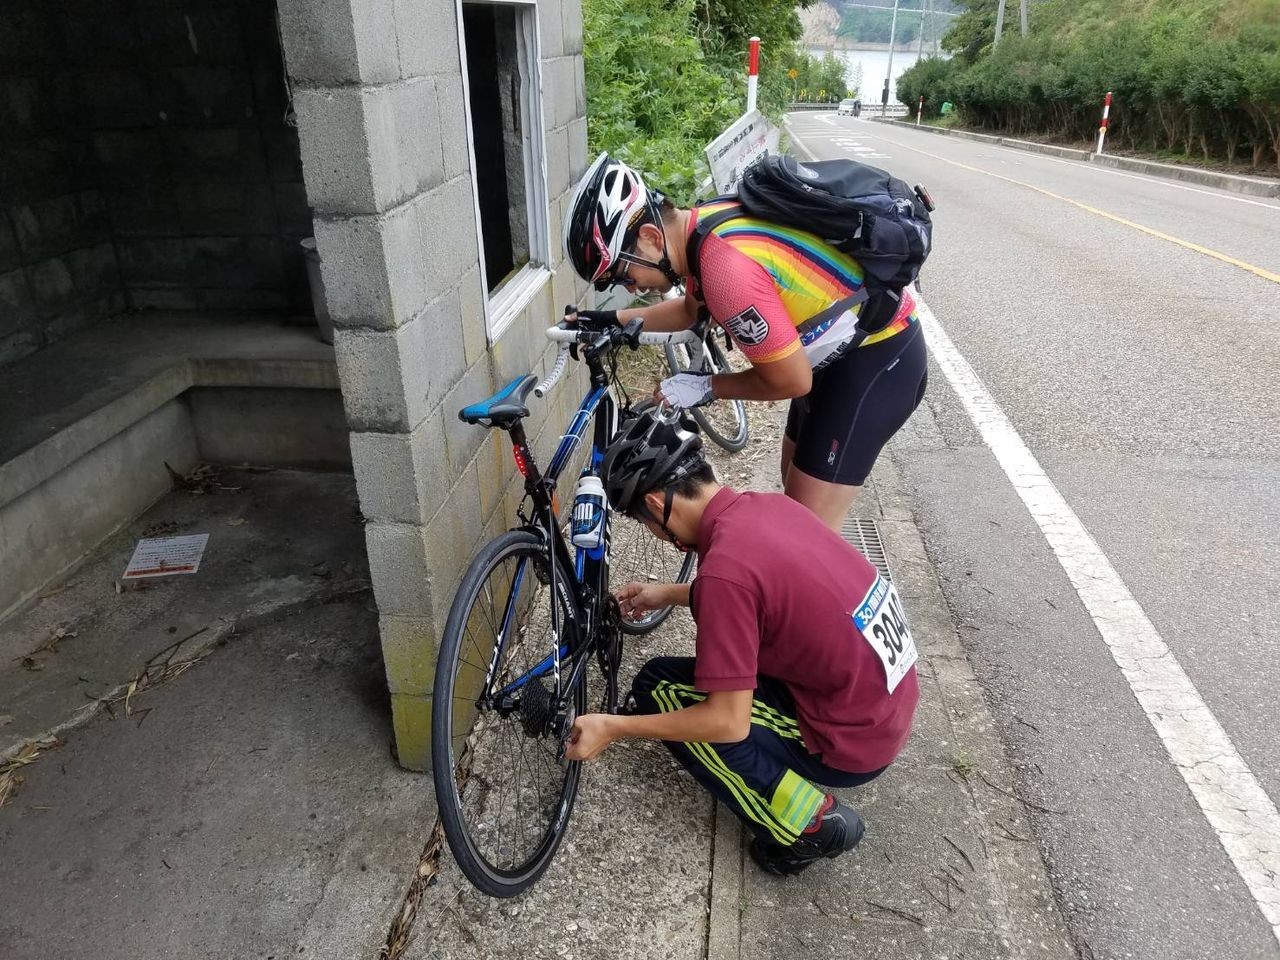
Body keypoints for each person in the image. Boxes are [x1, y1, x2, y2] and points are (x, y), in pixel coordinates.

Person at [565, 409, 920, 876]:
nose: (658, 536)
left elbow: (726, 721)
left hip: (853, 737)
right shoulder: (766, 508)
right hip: (883, 698)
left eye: (648, 525)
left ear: (656, 504)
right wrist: (668, 593)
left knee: (662, 694)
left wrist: (614, 728)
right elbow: (765, 595)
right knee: (662, 678)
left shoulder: (725, 574)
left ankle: (807, 827)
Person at [562, 152, 928, 532]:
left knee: (805, 538)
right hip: (831, 357)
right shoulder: (701, 228)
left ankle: (850, 592)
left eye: (624, 275)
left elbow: (790, 380)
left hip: (876, 363)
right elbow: (689, 310)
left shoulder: (725, 270)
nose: (632, 288)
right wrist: (605, 321)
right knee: (795, 492)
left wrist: (707, 387)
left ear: (651, 238)